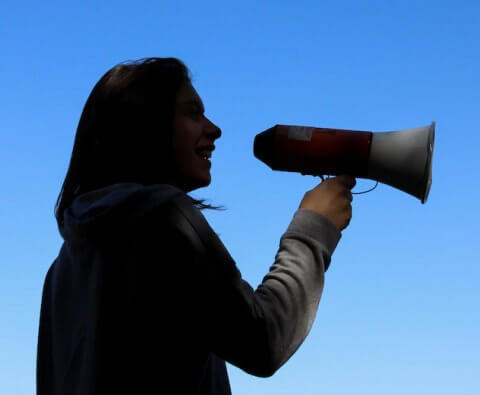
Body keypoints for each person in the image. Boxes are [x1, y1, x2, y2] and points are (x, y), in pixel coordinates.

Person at [36, 57, 356, 395]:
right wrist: (313, 228)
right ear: (146, 125)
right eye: (192, 112)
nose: (214, 129)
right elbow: (264, 341)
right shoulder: (163, 216)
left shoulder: (61, 271)